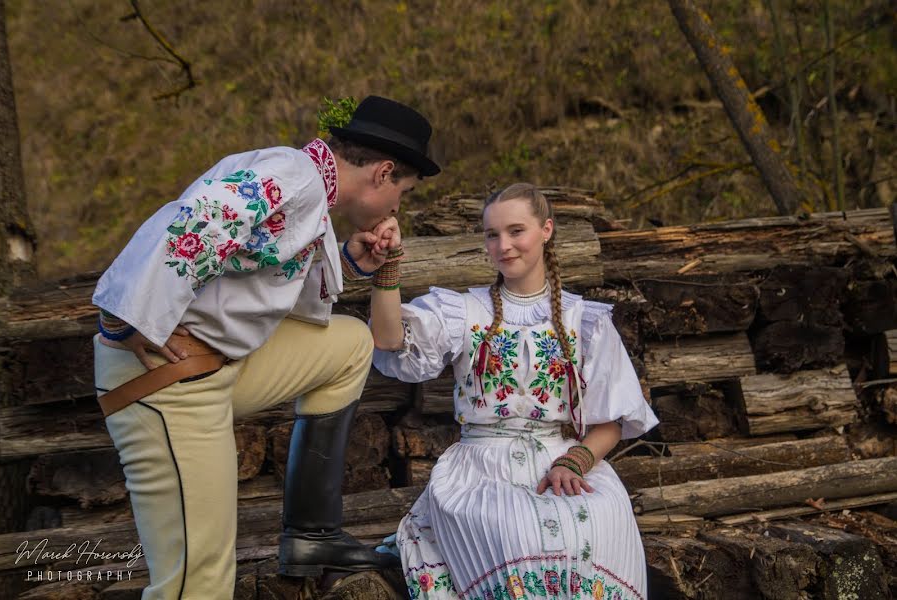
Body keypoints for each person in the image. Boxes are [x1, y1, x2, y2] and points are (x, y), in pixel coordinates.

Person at [91, 95, 440, 599]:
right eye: (401, 192)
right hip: (167, 385)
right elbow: (195, 220)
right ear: (383, 173)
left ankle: (311, 534)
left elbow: (263, 286)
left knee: (346, 344)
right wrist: (124, 317)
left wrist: (352, 261)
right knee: (199, 581)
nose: (396, 207)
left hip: (217, 367)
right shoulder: (294, 175)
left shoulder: (307, 189)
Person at [369, 183, 659, 599]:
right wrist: (388, 269)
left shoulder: (585, 320)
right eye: (492, 234)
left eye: (516, 231)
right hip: (481, 469)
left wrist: (574, 463)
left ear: (546, 230)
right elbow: (388, 339)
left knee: (599, 520)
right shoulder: (463, 312)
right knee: (516, 531)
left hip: (563, 462)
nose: (503, 245)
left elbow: (610, 422)